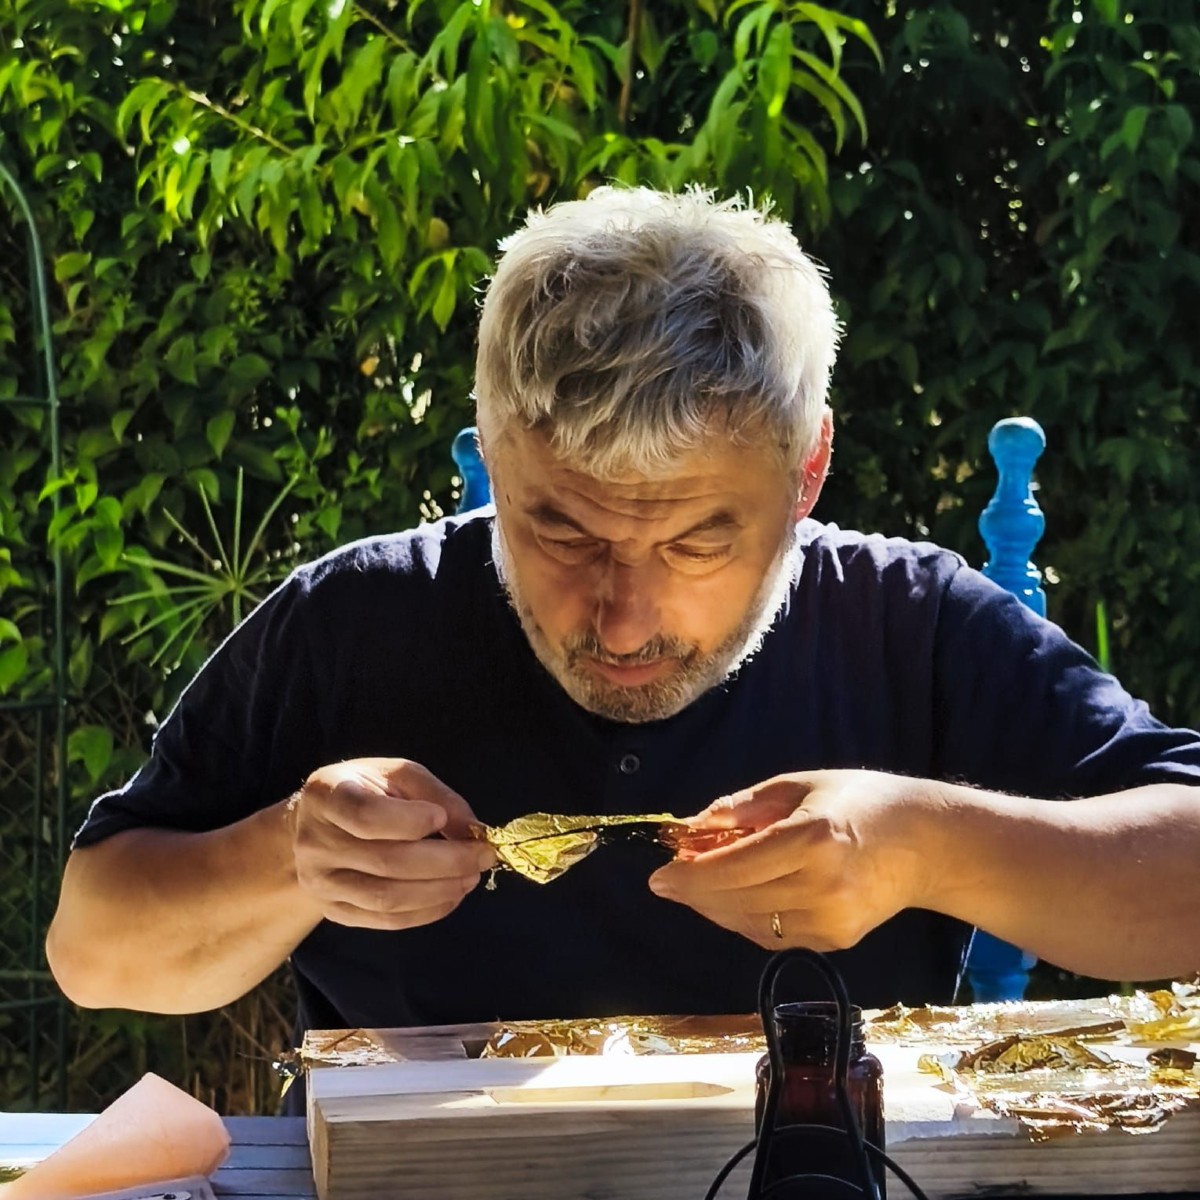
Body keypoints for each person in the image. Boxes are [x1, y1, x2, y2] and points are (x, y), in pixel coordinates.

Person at [48, 188, 1200, 1063]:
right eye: (562, 532)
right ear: (492, 453)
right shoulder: (355, 620)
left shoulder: (909, 624)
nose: (624, 621)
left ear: (806, 472)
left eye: (696, 542)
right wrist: (287, 855)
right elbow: (93, 952)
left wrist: (930, 847)